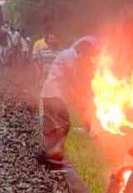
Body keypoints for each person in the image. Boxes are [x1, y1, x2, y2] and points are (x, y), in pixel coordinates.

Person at [39, 36, 99, 170]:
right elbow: (74, 79)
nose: (88, 58)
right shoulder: (69, 57)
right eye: (88, 55)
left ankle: (50, 154)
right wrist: (82, 95)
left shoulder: (69, 55)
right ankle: (54, 154)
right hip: (54, 93)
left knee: (53, 125)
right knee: (63, 124)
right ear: (82, 50)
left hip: (50, 93)